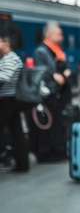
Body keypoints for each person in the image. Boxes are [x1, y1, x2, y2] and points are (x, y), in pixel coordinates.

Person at [30, 21, 71, 162]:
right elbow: (43, 70)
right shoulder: (41, 51)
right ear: (50, 34)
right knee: (50, 122)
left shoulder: (56, 51)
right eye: (59, 34)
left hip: (57, 92)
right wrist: (54, 75)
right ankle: (48, 152)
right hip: (48, 92)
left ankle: (58, 150)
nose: (62, 37)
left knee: (57, 122)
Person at [0, 21, 28, 172]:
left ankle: (9, 157)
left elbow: (4, 76)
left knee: (16, 133)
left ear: (6, 41)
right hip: (10, 101)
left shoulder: (10, 58)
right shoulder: (6, 58)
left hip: (7, 101)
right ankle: (22, 164)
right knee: (17, 132)